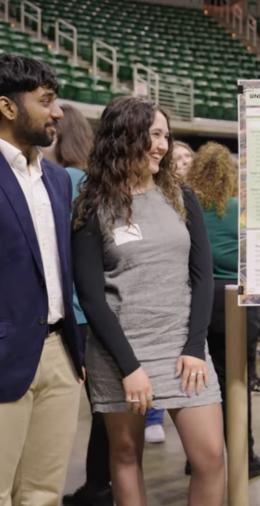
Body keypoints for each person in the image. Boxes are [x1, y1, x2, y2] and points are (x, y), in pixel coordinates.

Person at [72, 96, 225, 506]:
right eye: (153, 135)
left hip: (181, 348)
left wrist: (195, 346)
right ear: (126, 138)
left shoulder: (181, 197)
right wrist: (130, 366)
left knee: (210, 456)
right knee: (124, 456)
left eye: (164, 135)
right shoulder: (93, 206)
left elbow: (201, 276)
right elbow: (91, 297)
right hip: (120, 353)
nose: (162, 145)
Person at [0, 54, 85, 506]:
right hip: (4, 353)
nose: (57, 112)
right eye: (46, 101)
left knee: (43, 494)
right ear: (8, 107)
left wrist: (74, 350)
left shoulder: (57, 179)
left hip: (58, 353)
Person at [186, 141, 260, 478]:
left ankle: (196, 456)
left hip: (197, 301)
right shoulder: (240, 210)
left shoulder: (187, 208)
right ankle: (244, 456)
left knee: (197, 381)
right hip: (237, 304)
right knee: (237, 382)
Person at [39, 103, 114, 506]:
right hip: (100, 308)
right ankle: (102, 484)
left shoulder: (61, 179)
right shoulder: (94, 180)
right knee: (105, 408)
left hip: (70, 312)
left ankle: (96, 488)